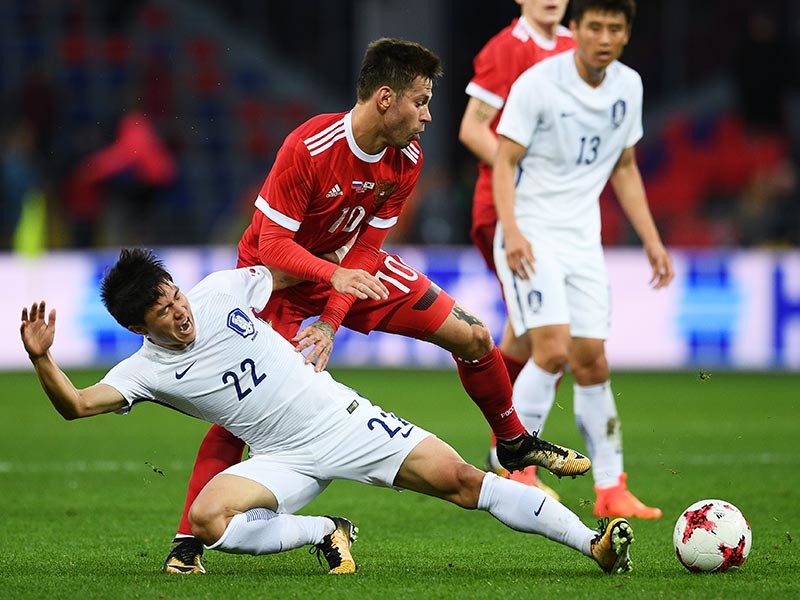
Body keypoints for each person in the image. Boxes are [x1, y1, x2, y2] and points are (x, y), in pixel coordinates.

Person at [164, 37, 591, 574]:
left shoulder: (406, 158)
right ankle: (187, 542)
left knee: (474, 335)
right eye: (421, 101)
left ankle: (512, 442)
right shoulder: (309, 147)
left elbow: (368, 249)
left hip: (350, 267)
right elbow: (271, 246)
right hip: (275, 282)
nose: (428, 116)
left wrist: (332, 319)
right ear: (386, 98)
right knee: (241, 412)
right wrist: (332, 276)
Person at [19, 248, 634, 576]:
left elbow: (287, 272)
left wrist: (337, 278)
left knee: (463, 483)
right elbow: (76, 405)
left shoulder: (221, 289)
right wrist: (44, 359)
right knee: (207, 520)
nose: (179, 310)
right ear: (138, 326)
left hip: (341, 420)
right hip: (280, 459)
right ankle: (324, 530)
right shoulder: (144, 370)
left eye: (173, 294)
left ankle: (593, 545)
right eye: (162, 310)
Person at [492, 0, 674, 520]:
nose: (604, 37)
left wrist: (652, 240)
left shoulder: (628, 86)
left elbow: (625, 167)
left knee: (592, 358)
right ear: (576, 28)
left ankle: (611, 487)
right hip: (530, 233)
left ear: (627, 34)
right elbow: (504, 160)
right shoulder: (538, 84)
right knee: (551, 349)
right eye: (594, 26)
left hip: (582, 241)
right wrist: (513, 231)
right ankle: (517, 470)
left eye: (615, 28)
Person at [458, 0, 576, 492]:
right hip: (508, 210)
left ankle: (505, 453)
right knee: (548, 338)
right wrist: (529, 172)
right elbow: (472, 127)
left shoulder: (575, 46)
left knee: (527, 336)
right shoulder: (505, 49)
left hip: (554, 213)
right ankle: (513, 458)